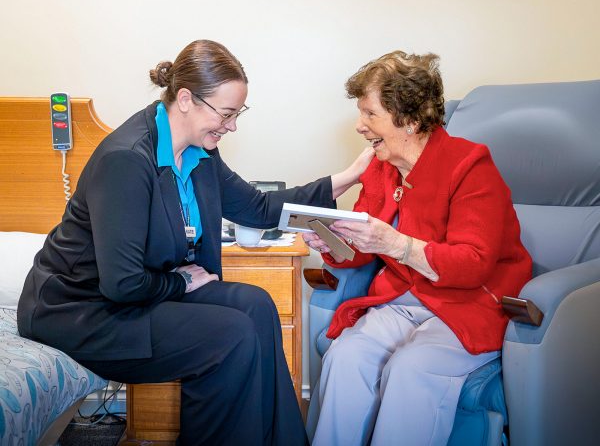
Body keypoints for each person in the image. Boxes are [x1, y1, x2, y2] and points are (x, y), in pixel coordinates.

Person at [17, 39, 373, 446]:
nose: (232, 125)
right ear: (186, 99)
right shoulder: (127, 160)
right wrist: (183, 282)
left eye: (238, 114)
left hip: (134, 294)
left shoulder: (199, 153)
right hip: (80, 311)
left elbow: (257, 207)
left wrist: (349, 176)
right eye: (226, 113)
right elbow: (122, 284)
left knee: (256, 306)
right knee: (229, 335)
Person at [304, 51, 532, 446]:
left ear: (409, 119)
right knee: (346, 357)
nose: (360, 126)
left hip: (469, 303)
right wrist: (334, 243)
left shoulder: (470, 166)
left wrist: (397, 244)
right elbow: (363, 247)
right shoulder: (382, 164)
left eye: (369, 114)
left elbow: (473, 264)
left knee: (411, 368)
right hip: (403, 297)